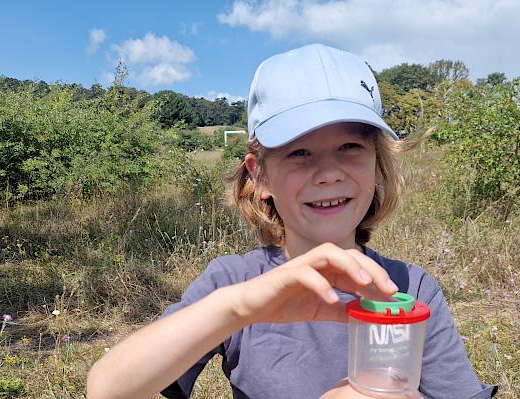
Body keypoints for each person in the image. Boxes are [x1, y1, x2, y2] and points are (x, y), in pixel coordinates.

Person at [87, 44, 496, 399]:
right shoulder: (233, 281)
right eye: (299, 152)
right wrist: (239, 307)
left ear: (377, 166)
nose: (329, 172)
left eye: (350, 146)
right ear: (261, 175)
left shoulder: (410, 288)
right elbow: (108, 390)